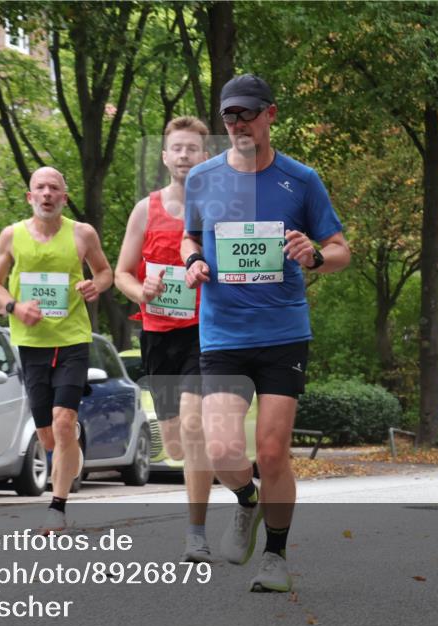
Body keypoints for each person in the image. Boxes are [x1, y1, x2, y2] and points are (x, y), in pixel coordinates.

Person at [181, 74, 351, 592]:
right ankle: (247, 502)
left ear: (270, 115)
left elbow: (340, 249)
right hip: (224, 332)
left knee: (273, 452)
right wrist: (191, 260)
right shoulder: (202, 179)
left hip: (282, 332)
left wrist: (315, 256)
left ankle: (275, 557)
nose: (238, 125)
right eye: (230, 116)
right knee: (224, 450)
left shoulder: (301, 180)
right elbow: (191, 233)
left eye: (248, 114)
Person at [0, 167, 113, 533]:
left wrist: (95, 285)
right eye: (39, 188)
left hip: (72, 339)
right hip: (32, 343)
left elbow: (105, 272)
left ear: (64, 196)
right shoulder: (12, 236)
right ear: (30, 197)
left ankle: (57, 506)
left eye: (53, 188)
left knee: (63, 420)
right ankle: (70, 450)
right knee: (48, 436)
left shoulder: (82, 233)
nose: (46, 194)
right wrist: (15, 307)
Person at [115, 116, 214, 562]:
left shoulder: (219, 207)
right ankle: (231, 479)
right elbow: (120, 273)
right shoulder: (145, 209)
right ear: (165, 157)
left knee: (193, 427)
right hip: (158, 335)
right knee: (174, 442)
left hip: (203, 331)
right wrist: (142, 290)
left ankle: (196, 531)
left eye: (192, 148)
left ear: (205, 155)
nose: (184, 155)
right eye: (177, 148)